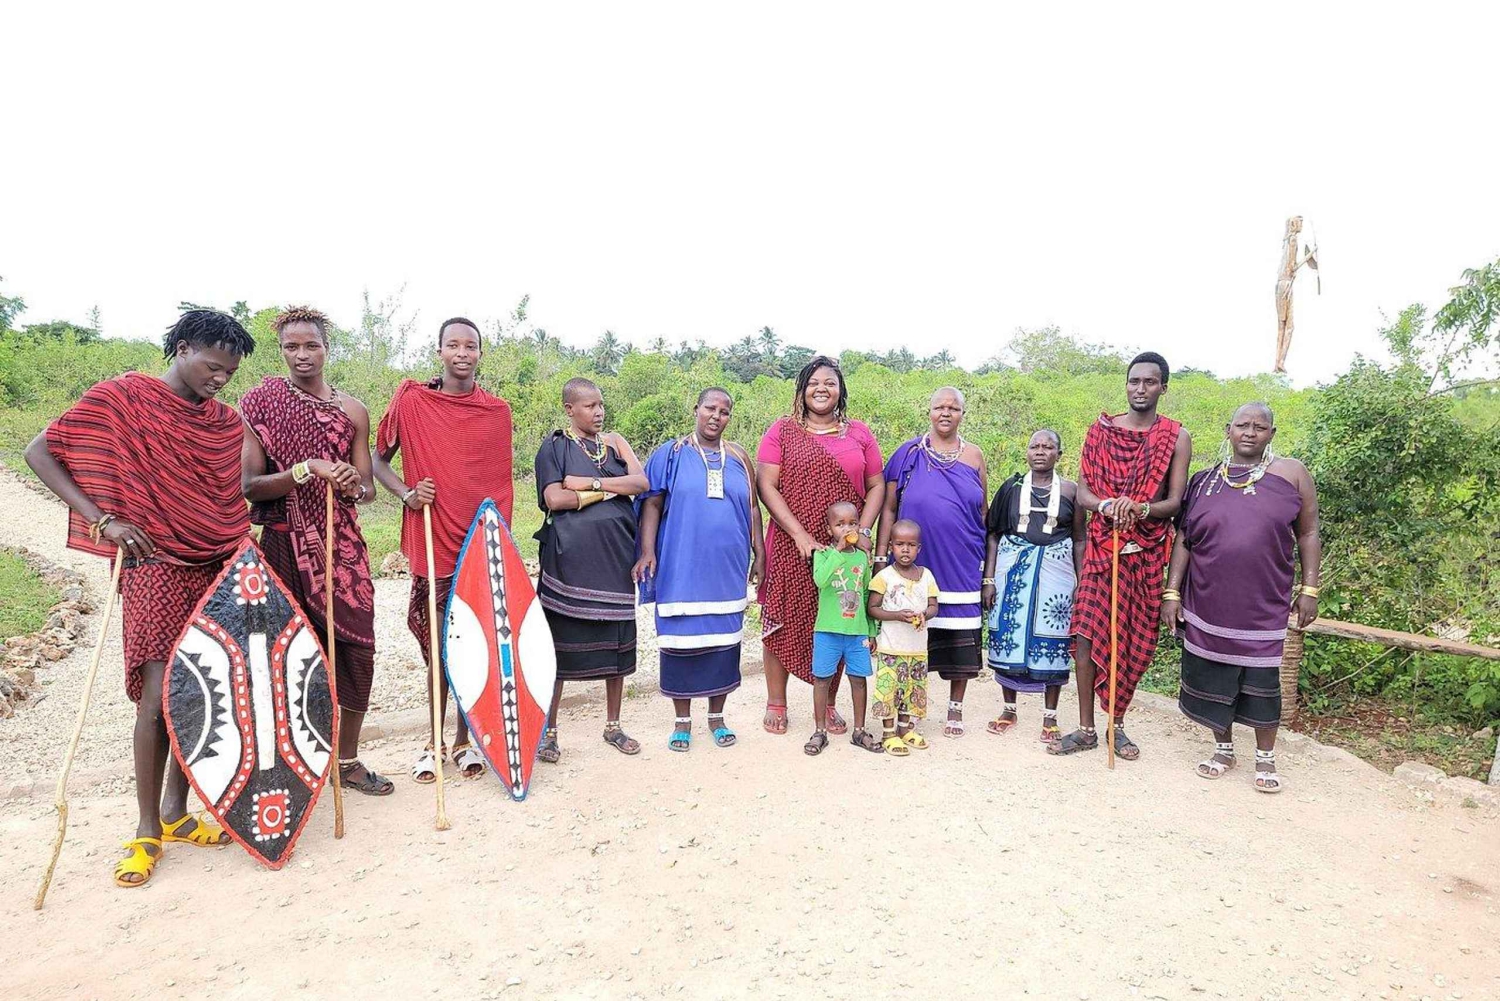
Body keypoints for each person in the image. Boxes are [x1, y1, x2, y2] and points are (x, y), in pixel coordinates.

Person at [24, 310, 254, 887]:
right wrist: (103, 520)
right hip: (152, 565)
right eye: (212, 366)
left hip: (215, 564)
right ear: (181, 348)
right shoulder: (124, 398)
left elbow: (226, 499)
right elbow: (40, 452)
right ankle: (147, 828)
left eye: (229, 373)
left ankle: (177, 813)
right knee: (156, 697)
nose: (220, 379)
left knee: (200, 689)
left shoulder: (225, 423)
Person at [240, 306, 390, 795]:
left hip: (340, 544)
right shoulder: (260, 403)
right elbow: (251, 485)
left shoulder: (354, 410)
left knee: (357, 649)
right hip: (283, 543)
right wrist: (307, 469)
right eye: (292, 346)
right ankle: (290, 764)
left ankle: (346, 761)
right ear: (281, 350)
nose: (302, 355)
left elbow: (367, 489)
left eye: (311, 345)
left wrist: (349, 482)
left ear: (327, 348)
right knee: (287, 656)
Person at [374, 317, 514, 784]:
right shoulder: (413, 401)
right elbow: (377, 460)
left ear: (480, 353)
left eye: (470, 346)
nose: (462, 353)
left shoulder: (496, 412)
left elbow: (499, 485)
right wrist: (407, 494)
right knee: (438, 651)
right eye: (453, 345)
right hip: (434, 536)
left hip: (478, 545)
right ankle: (432, 743)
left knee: (472, 646)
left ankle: (463, 741)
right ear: (439, 352)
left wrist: (496, 543)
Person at [1165, 402, 1321, 793]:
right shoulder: (1203, 481)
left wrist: (1309, 589)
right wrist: (1172, 592)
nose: (1249, 432)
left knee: (1262, 680)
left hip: (1263, 603)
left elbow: (1308, 533)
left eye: (1259, 427)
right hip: (1207, 600)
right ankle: (1224, 750)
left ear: (1272, 433)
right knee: (1215, 678)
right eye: (1242, 425)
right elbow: (1184, 538)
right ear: (1228, 430)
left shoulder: (1292, 474)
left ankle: (1265, 758)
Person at [1052, 351, 1192, 760]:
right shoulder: (1101, 432)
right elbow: (1084, 493)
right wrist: (1108, 505)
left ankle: (1117, 724)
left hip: (1143, 554)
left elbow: (1175, 501)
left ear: (1163, 387)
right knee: (1085, 635)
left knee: (1131, 643)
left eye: (1149, 382)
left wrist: (1142, 509)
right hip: (1101, 550)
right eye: (1134, 381)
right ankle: (1086, 729)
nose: (1140, 389)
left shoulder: (1175, 437)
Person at [757, 356, 886, 737]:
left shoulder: (859, 433)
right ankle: (776, 701)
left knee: (838, 620)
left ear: (840, 391)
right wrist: (799, 534)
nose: (821, 389)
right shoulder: (782, 431)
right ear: (802, 389)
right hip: (791, 543)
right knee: (782, 616)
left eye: (830, 382)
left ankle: (826, 702)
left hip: (845, 549)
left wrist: (863, 530)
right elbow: (766, 484)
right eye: (814, 382)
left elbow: (877, 485)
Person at [633, 388, 765, 751]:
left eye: (724, 411)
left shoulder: (739, 456)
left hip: (728, 569)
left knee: (724, 643)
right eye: (710, 408)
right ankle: (682, 720)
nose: (716, 416)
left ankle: (717, 717)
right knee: (681, 642)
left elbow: (753, 509)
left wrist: (760, 552)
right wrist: (648, 551)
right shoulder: (672, 453)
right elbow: (651, 503)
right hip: (682, 565)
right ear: (696, 409)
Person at [535, 377, 649, 762]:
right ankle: (549, 733)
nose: (598, 412)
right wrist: (612, 490)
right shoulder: (554, 447)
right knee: (557, 649)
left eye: (601, 405)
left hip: (616, 559)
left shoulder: (615, 443)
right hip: (568, 563)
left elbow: (641, 482)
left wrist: (590, 484)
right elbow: (555, 498)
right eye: (589, 406)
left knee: (617, 647)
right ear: (570, 409)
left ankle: (613, 726)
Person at [877, 386, 988, 737]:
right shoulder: (908, 453)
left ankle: (955, 708)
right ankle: (906, 708)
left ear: (962, 415)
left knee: (960, 637)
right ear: (929, 412)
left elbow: (982, 512)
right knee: (908, 634)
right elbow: (889, 508)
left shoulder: (974, 455)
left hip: (962, 561)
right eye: (940, 407)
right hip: (913, 562)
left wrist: (987, 571)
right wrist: (881, 557)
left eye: (953, 408)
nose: (946, 413)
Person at [982, 429, 1085, 743]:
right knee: (1007, 635)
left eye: (1048, 447)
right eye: (1034, 446)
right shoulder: (1011, 488)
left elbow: (1080, 539)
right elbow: (993, 535)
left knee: (1053, 639)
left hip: (1057, 574)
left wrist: (1081, 581)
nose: (1040, 451)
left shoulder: (1072, 491)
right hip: (1012, 572)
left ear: (1059, 455)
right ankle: (1009, 709)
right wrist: (989, 579)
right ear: (1027, 452)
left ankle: (1050, 716)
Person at [807, 502, 881, 755]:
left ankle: (859, 731)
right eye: (840, 525)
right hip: (827, 631)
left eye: (852, 523)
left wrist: (871, 630)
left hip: (857, 632)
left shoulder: (862, 558)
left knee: (859, 680)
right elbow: (821, 580)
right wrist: (838, 551)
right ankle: (819, 731)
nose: (847, 529)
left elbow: (866, 594)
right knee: (822, 680)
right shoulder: (824, 554)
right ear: (830, 530)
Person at [867, 519, 939, 755]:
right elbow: (872, 608)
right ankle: (888, 733)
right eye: (899, 544)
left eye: (911, 545)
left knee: (911, 689)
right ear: (890, 547)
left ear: (919, 548)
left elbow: (934, 606)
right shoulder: (884, 576)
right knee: (890, 691)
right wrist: (897, 615)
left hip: (917, 649)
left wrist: (924, 614)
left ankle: (905, 730)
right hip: (891, 648)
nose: (905, 550)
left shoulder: (926, 576)